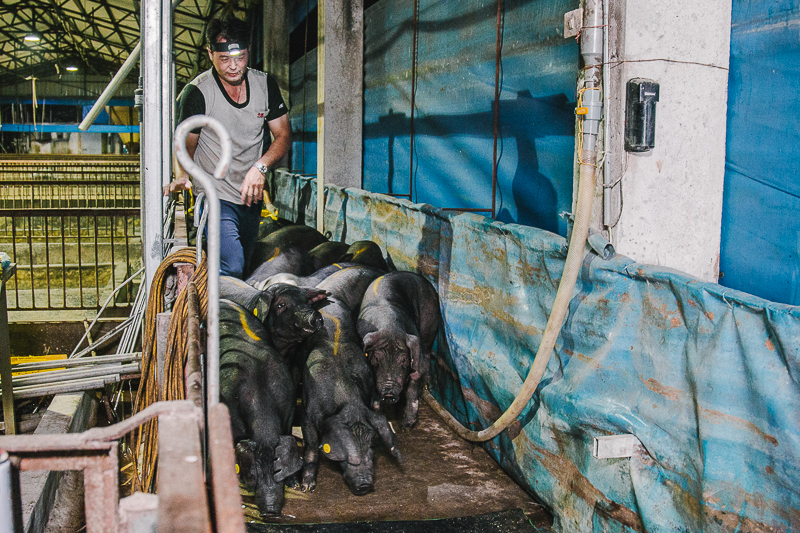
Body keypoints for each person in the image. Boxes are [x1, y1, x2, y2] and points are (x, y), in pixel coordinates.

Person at [167, 16, 291, 278]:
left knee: (243, 266)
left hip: (250, 195)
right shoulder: (197, 93)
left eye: (241, 57)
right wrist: (181, 175)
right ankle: (217, 316)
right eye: (224, 59)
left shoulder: (264, 85)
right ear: (210, 53)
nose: (234, 67)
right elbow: (185, 145)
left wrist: (261, 166)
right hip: (214, 195)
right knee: (231, 265)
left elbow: (282, 135)